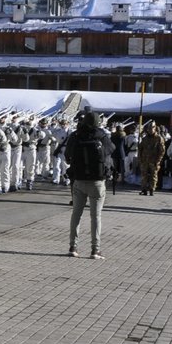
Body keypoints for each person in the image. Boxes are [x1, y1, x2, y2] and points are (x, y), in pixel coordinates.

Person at [64, 110, 111, 258]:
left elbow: (67, 156)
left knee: (76, 214)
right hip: (97, 181)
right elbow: (110, 152)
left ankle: (73, 247)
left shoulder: (76, 135)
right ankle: (95, 249)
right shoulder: (102, 136)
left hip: (78, 180)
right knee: (96, 216)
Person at [137, 123, 165, 195]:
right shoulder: (145, 138)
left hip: (154, 160)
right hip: (145, 160)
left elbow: (162, 151)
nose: (150, 130)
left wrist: (158, 160)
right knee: (144, 175)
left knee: (154, 175)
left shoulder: (159, 138)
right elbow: (140, 149)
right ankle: (144, 189)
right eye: (149, 129)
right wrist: (140, 159)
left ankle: (152, 189)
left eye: (152, 128)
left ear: (155, 128)